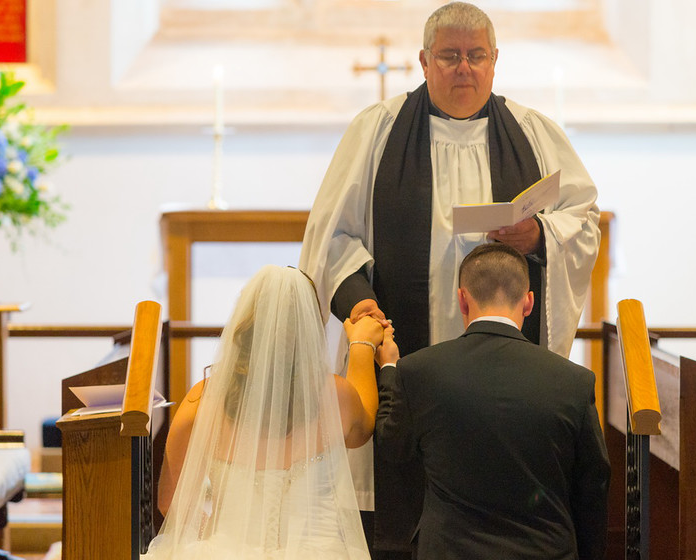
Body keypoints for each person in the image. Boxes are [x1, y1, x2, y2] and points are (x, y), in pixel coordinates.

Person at [298, 1, 601, 555]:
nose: (465, 67)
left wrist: (537, 236)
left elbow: (582, 220)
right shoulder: (376, 132)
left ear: (494, 61)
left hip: (500, 383)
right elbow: (331, 239)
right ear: (423, 60)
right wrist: (361, 306)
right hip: (405, 362)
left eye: (476, 56)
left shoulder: (533, 133)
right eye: (450, 56)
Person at [375, 243, 610, 560]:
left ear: (462, 299)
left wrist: (389, 368)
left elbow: (393, 445)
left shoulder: (419, 371)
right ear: (528, 302)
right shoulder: (573, 381)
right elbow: (594, 483)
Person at [144, 265, 389, 559]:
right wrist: (361, 345)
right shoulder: (334, 396)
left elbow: (170, 502)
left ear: (245, 323)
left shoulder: (203, 399)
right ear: (310, 326)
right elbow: (363, 429)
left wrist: (217, 538)